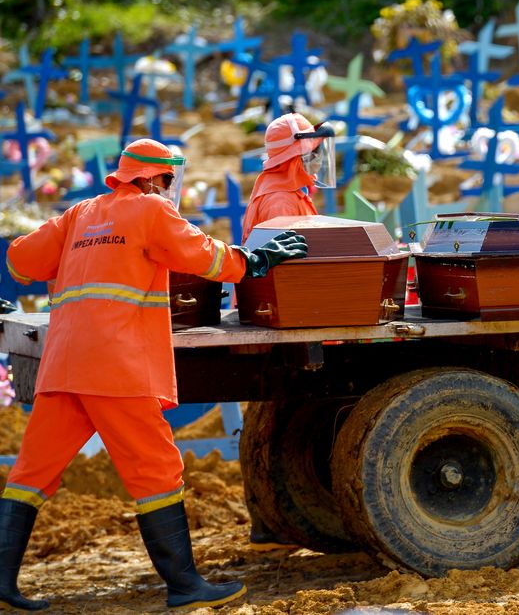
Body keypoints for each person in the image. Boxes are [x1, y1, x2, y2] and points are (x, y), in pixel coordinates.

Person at [0, 139, 308, 611]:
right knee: (157, 472)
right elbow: (205, 257)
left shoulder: (79, 213)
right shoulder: (150, 211)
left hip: (63, 364)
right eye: (167, 181)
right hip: (116, 366)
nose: (169, 190)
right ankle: (184, 584)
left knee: (30, 475)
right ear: (150, 178)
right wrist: (256, 260)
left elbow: (20, 261)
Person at [239, 112, 335, 551]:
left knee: (275, 418)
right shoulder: (279, 201)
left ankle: (267, 521)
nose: (316, 164)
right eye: (311, 155)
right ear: (293, 156)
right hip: (288, 318)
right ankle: (267, 520)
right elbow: (293, 271)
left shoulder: (287, 191)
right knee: (279, 420)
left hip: (286, 314)